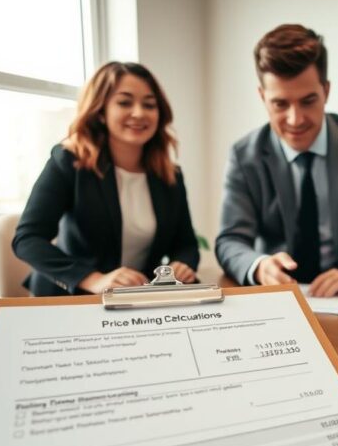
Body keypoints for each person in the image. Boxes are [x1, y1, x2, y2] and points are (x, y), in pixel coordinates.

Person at [215, 24, 338, 298]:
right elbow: (231, 239)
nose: (295, 120)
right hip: (276, 296)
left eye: (308, 101)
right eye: (280, 104)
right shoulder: (244, 155)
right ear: (263, 97)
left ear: (326, 91)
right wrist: (260, 266)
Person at [13, 62, 199, 296]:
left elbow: (187, 244)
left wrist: (181, 265)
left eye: (149, 105)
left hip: (137, 299)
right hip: (73, 298)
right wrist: (92, 279)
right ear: (100, 111)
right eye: (124, 102)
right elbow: (27, 239)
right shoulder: (70, 161)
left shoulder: (169, 174)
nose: (139, 113)